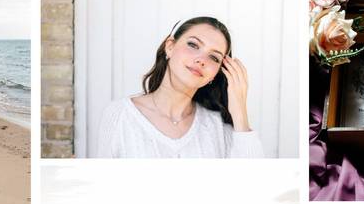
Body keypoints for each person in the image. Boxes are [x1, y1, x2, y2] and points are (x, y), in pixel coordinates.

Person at [94, 17, 263, 158]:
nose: (201, 59)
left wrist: (240, 113)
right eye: (193, 45)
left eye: (214, 57)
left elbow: (250, 187)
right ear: (170, 47)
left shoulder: (218, 127)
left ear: (216, 74)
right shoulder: (120, 115)